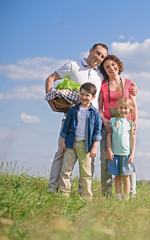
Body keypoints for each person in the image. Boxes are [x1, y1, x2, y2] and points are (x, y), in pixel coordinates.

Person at [45, 43, 108, 193]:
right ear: (90, 50)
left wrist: (132, 88)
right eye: (97, 53)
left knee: (89, 159)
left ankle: (84, 193)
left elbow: (116, 78)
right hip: (71, 119)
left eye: (102, 56)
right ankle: (53, 189)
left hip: (91, 123)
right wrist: (50, 100)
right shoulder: (73, 66)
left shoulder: (100, 74)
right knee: (62, 153)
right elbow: (51, 78)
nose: (98, 58)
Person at [98, 55, 138, 197]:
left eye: (113, 65)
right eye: (107, 67)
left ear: (118, 65)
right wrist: (103, 119)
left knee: (128, 160)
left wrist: (135, 122)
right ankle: (108, 194)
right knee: (107, 160)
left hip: (126, 126)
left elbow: (133, 105)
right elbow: (100, 107)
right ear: (104, 70)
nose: (111, 68)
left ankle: (131, 194)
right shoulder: (103, 85)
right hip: (109, 126)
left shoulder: (128, 83)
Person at [59, 83, 102, 198]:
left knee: (86, 173)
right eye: (82, 94)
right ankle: (64, 194)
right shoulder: (73, 110)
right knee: (66, 170)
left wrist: (94, 147)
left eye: (87, 95)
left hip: (86, 145)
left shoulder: (95, 113)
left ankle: (86, 196)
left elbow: (97, 131)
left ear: (93, 96)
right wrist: (63, 143)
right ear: (79, 94)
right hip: (71, 144)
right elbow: (66, 128)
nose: (84, 97)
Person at [106, 98, 136, 200]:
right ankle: (118, 196)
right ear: (117, 109)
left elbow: (132, 139)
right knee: (117, 177)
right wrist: (109, 150)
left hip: (126, 154)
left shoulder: (130, 124)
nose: (123, 110)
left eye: (126, 108)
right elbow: (109, 136)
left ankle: (126, 197)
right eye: (121, 108)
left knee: (126, 177)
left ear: (130, 110)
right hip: (115, 154)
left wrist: (132, 154)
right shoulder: (113, 120)